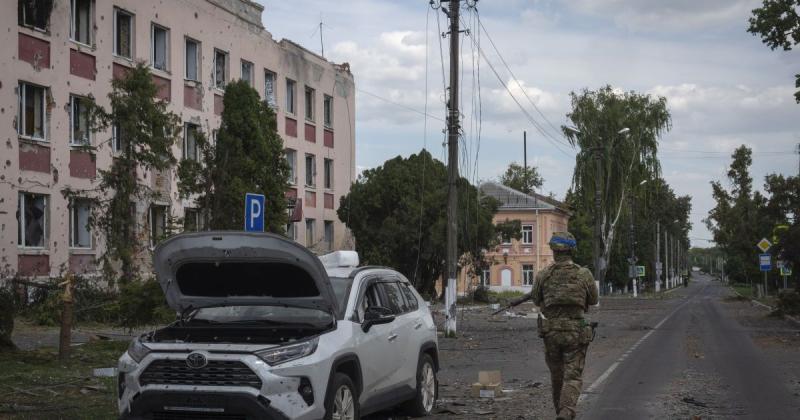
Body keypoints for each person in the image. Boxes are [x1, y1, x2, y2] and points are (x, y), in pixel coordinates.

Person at [510, 231, 598, 420]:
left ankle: (560, 410)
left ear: (553, 250)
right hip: (575, 331)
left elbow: (536, 299)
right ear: (572, 250)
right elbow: (594, 299)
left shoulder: (543, 275)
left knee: (557, 375)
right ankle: (566, 411)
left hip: (551, 333)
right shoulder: (584, 274)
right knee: (572, 375)